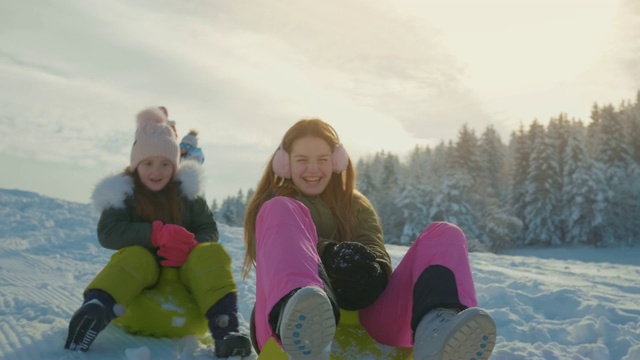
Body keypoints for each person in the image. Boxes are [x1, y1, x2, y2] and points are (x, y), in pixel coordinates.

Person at [242, 118, 496, 359]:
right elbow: (282, 248)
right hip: (284, 332)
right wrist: (329, 255)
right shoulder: (273, 208)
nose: (313, 169)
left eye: (322, 159)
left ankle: (438, 332)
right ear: (284, 164)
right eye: (302, 160)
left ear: (336, 162)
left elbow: (374, 246)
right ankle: (302, 317)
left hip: (371, 322)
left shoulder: (356, 204)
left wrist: (372, 271)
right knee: (280, 207)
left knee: (446, 233)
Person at [64, 107, 251, 358]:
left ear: (175, 165)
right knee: (134, 257)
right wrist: (155, 235)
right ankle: (96, 309)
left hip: (184, 289)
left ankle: (226, 331)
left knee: (211, 253)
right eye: (148, 163)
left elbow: (209, 230)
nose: (156, 171)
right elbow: (108, 232)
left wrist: (190, 246)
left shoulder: (188, 196)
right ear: (135, 165)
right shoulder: (124, 195)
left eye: (165, 164)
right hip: (138, 296)